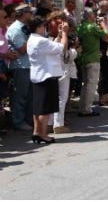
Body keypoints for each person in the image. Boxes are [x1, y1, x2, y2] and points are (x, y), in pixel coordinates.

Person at [27, 15, 69, 144]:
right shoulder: (41, 41)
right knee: (45, 109)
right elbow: (62, 48)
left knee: (37, 108)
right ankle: (44, 134)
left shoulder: (33, 39)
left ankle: (36, 132)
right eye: (44, 26)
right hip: (47, 76)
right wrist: (65, 34)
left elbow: (52, 47)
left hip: (38, 76)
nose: (45, 28)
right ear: (38, 27)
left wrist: (60, 34)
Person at [76, 8, 108, 116]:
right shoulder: (92, 27)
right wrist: (103, 24)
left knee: (85, 85)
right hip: (92, 58)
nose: (95, 15)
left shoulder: (80, 26)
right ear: (90, 15)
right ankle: (86, 109)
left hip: (83, 58)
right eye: (93, 14)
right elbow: (107, 36)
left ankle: (83, 108)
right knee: (90, 85)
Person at [6, 4, 34, 130]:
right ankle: (18, 121)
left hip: (29, 66)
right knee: (20, 96)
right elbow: (22, 49)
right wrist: (33, 36)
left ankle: (28, 120)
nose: (31, 15)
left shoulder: (25, 27)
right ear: (23, 13)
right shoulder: (16, 29)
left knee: (29, 96)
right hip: (20, 67)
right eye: (30, 12)